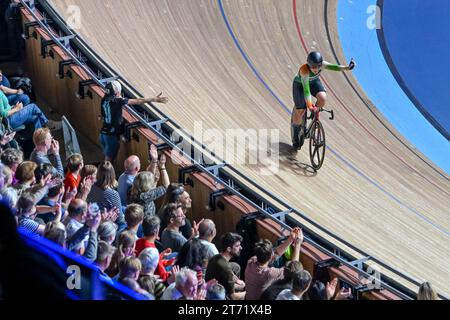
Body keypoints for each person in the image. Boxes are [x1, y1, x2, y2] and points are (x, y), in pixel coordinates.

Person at [291, 51, 356, 150]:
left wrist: (347, 68)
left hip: (313, 82)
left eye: (318, 66)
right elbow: (307, 91)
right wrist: (309, 105)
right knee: (300, 110)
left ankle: (314, 119)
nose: (316, 69)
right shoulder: (304, 70)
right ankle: (295, 133)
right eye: (313, 67)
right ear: (308, 65)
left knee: (322, 98)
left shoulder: (322, 65)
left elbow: (335, 67)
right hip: (300, 86)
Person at [99, 80, 168, 162]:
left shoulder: (104, 100)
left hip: (103, 134)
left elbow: (101, 115)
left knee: (109, 159)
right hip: (111, 136)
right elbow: (137, 101)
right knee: (108, 162)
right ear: (117, 93)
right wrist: (154, 99)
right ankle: (104, 174)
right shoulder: (117, 101)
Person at [244, 227, 303, 300]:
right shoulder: (270, 273)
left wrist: (291, 239)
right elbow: (294, 268)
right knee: (288, 282)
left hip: (248, 297)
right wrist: (298, 244)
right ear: (271, 257)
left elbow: (276, 254)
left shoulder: (251, 261)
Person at [205, 232, 246, 300]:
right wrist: (247, 292)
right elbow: (233, 296)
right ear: (229, 249)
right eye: (237, 246)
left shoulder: (215, 257)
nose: (241, 248)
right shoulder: (226, 269)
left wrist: (234, 280)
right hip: (216, 295)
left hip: (211, 287)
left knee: (235, 266)